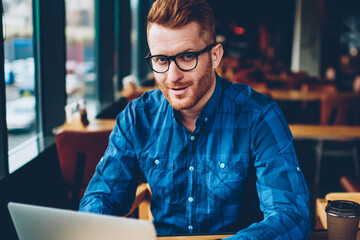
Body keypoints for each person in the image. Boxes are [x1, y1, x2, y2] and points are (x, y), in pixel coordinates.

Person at [79, 0, 311, 239]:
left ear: (215, 56)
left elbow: (291, 215)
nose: (173, 76)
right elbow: (102, 197)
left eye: (187, 56)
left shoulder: (259, 116)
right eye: (161, 60)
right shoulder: (137, 118)